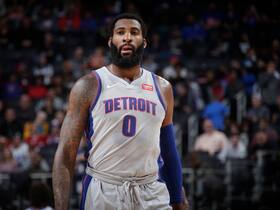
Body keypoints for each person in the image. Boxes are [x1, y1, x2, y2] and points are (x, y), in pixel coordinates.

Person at [53, 13, 188, 210]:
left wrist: (178, 199)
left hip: (152, 191)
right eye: (120, 32)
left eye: (134, 32)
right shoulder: (88, 85)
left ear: (144, 42)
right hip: (104, 190)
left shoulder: (162, 87)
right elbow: (66, 153)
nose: (127, 37)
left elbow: (168, 149)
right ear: (111, 41)